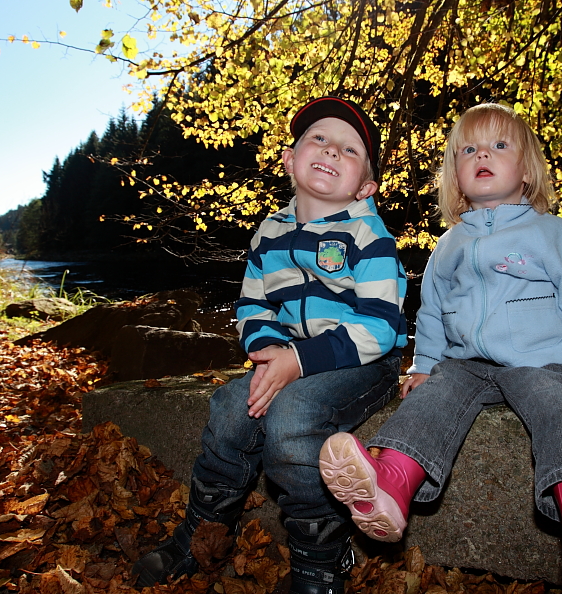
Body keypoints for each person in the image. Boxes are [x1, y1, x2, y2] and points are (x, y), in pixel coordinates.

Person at [319, 103, 562, 592]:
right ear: (455, 174)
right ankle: (390, 485)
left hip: (542, 358)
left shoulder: (548, 231)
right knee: (433, 400)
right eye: (467, 150)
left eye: (498, 146)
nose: (482, 156)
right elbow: (430, 312)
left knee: (558, 404)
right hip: (465, 363)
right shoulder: (449, 244)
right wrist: (424, 366)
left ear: (528, 171)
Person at [133, 96, 408, 594]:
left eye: (349, 149)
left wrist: (299, 363)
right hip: (291, 354)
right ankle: (205, 529)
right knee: (233, 406)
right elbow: (253, 305)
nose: (330, 150)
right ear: (290, 158)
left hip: (363, 359)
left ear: (365, 186)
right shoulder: (269, 232)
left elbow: (383, 325)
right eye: (318, 139)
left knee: (295, 418)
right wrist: (270, 354)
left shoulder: (369, 236)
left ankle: (320, 557)